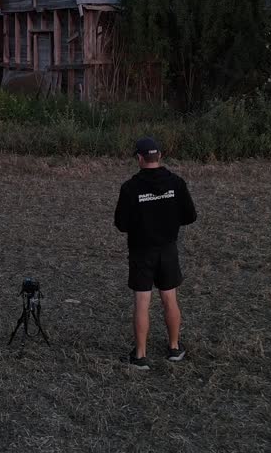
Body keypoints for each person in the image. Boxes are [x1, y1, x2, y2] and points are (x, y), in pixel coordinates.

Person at [115, 136, 197, 370]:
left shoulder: (130, 187)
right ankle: (174, 347)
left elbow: (121, 224)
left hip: (141, 251)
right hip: (168, 250)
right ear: (160, 156)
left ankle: (140, 356)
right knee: (169, 298)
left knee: (142, 302)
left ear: (139, 158)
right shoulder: (176, 183)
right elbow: (190, 216)